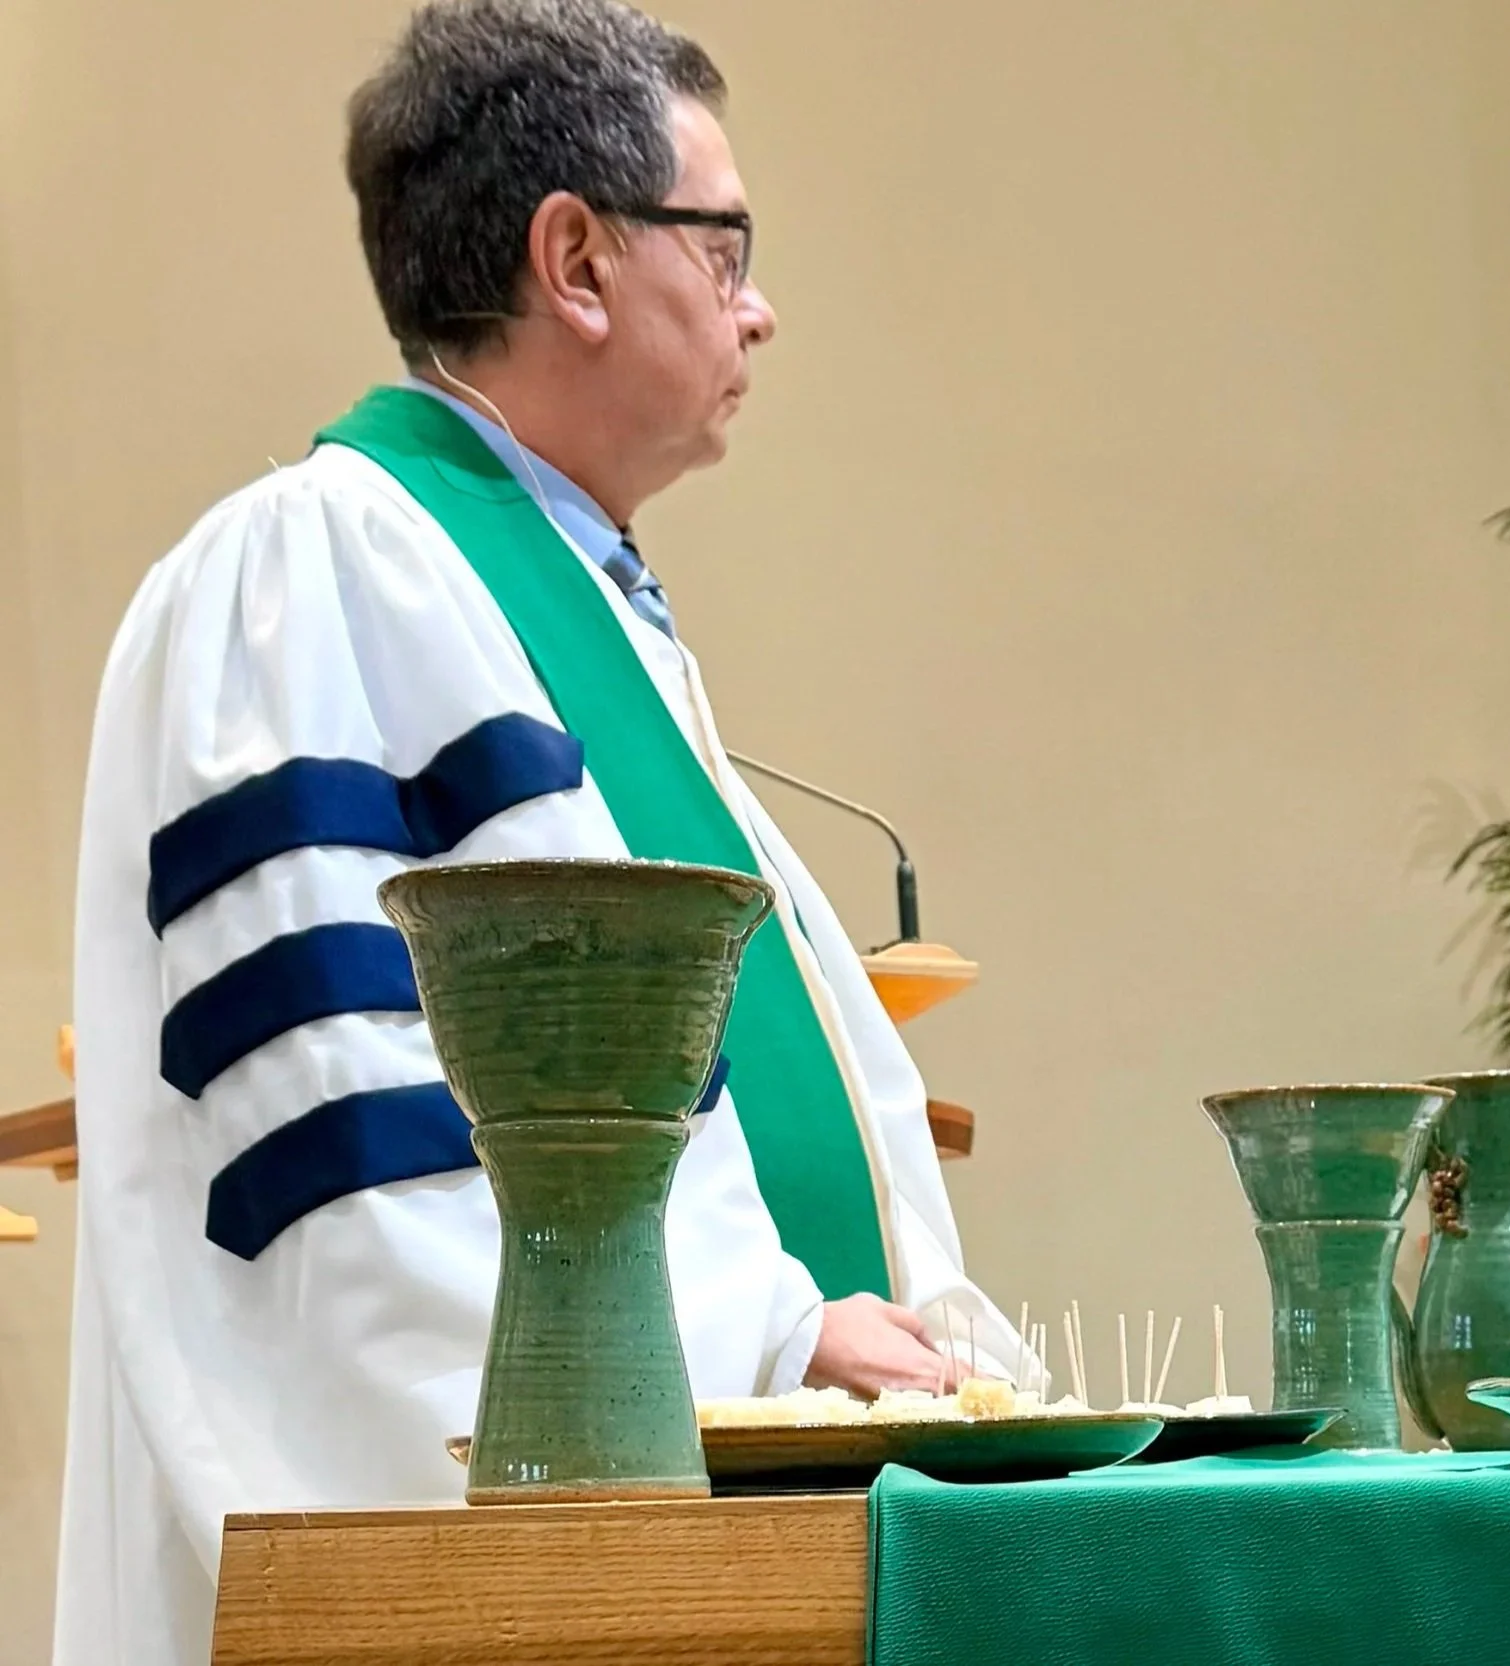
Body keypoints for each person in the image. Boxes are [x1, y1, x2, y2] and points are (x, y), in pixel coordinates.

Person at [57, 5, 1024, 1662]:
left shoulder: (577, 618)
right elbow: (354, 1155)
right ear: (573, 259)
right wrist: (766, 1342)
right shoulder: (306, 580)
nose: (762, 310)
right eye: (726, 252)